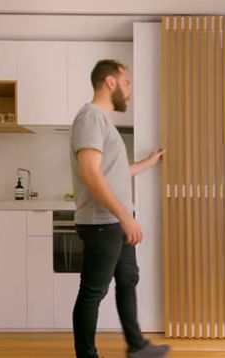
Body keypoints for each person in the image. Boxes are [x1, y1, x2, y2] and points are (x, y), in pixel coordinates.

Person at [69, 59, 170, 358]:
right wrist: (126, 217)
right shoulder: (90, 118)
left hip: (114, 221)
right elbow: (90, 172)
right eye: (126, 84)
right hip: (103, 222)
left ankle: (137, 347)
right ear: (110, 82)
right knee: (93, 292)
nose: (129, 92)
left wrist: (148, 164)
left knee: (128, 279)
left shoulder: (103, 123)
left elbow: (112, 171)